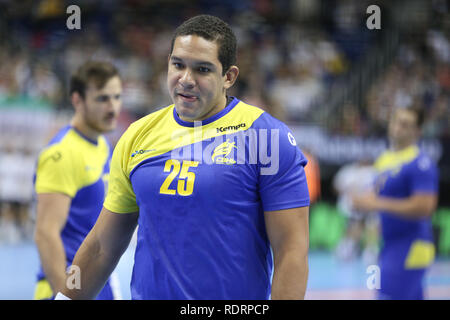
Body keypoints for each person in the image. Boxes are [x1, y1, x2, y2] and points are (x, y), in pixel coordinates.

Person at [57, 14, 310, 300]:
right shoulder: (137, 136)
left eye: (202, 69)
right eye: (178, 65)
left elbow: (291, 252)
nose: (186, 80)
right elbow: (103, 246)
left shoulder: (267, 137)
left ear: (229, 76)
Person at [33, 61, 123, 300]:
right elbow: (45, 233)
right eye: (102, 99)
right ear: (77, 101)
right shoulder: (61, 155)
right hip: (67, 286)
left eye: (116, 97)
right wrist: (65, 294)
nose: (113, 107)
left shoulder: (103, 145)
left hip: (99, 281)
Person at [352, 106, 439, 300]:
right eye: (396, 122)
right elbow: (375, 195)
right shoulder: (385, 159)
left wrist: (377, 204)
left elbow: (425, 206)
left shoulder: (420, 163)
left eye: (405, 125)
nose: (398, 128)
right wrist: (362, 201)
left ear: (417, 132)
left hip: (411, 247)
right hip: (390, 245)